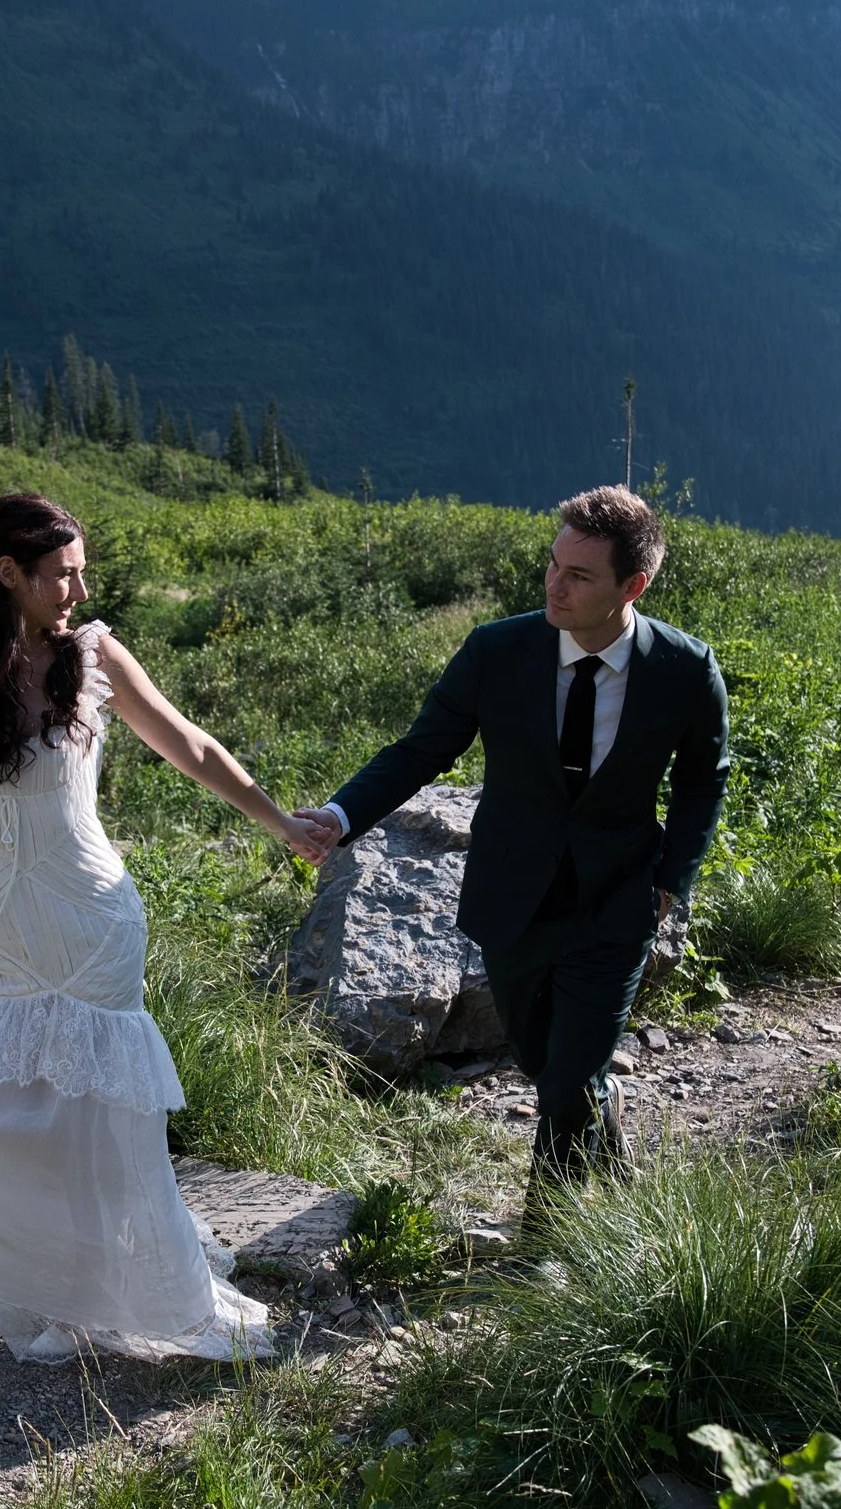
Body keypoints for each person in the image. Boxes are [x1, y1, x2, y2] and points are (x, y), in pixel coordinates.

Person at [0, 493, 334, 1363]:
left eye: (81, 570)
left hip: (91, 918)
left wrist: (279, 821)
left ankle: (143, 1289)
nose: (79, 588)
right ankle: (55, 1284)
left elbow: (191, 747)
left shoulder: (93, 655)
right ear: (8, 574)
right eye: (63, 573)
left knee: (100, 1114)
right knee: (17, 1107)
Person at [295, 486, 730, 1193]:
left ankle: (546, 1249)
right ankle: (602, 1104)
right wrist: (341, 817)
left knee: (566, 1080)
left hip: (616, 900)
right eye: (553, 564)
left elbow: (702, 780)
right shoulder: (497, 651)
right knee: (544, 1061)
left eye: (579, 575)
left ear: (634, 585)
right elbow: (421, 749)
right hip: (511, 897)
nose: (554, 584)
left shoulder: (685, 670)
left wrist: (671, 882)